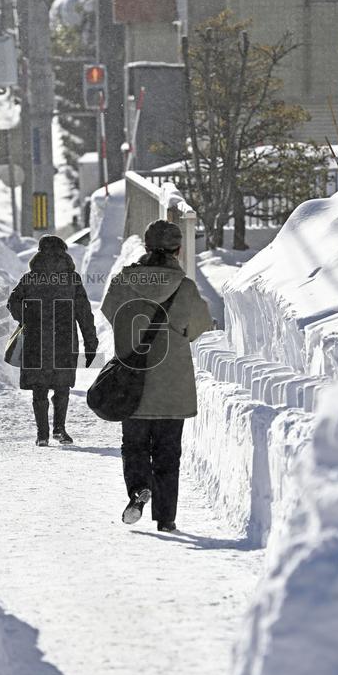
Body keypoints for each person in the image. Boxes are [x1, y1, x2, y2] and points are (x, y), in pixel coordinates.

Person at [101, 219, 213, 532]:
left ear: (147, 246)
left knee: (134, 445)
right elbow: (199, 326)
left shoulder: (123, 282)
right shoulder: (185, 288)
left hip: (131, 380)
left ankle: (139, 489)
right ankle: (166, 518)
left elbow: (110, 314)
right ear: (178, 249)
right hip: (172, 384)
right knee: (167, 453)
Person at [7, 234, 98, 446]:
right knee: (62, 385)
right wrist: (91, 343)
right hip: (64, 339)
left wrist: (27, 318)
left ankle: (42, 435)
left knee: (39, 388)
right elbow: (84, 313)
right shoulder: (71, 279)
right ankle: (59, 429)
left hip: (35, 340)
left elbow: (13, 302)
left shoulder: (31, 278)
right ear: (63, 252)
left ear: (40, 252)